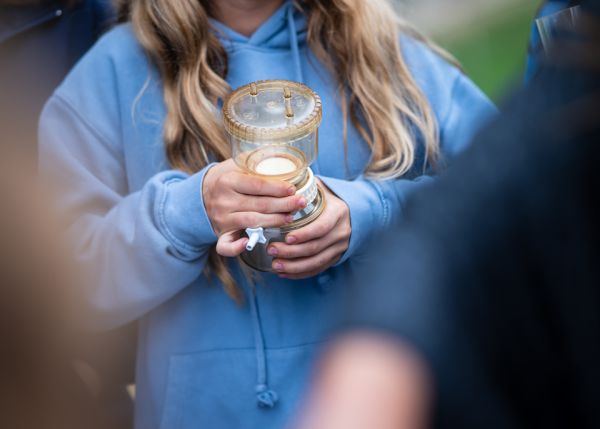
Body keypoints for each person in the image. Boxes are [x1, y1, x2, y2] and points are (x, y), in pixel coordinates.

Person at [39, 0, 495, 427]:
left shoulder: (388, 53)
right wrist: (184, 212)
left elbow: (499, 203)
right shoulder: (111, 74)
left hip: (364, 406)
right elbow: (55, 289)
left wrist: (374, 213)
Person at [297, 1, 600, 428]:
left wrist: (364, 211)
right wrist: (195, 206)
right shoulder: (572, 24)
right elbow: (477, 205)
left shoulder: (395, 55)